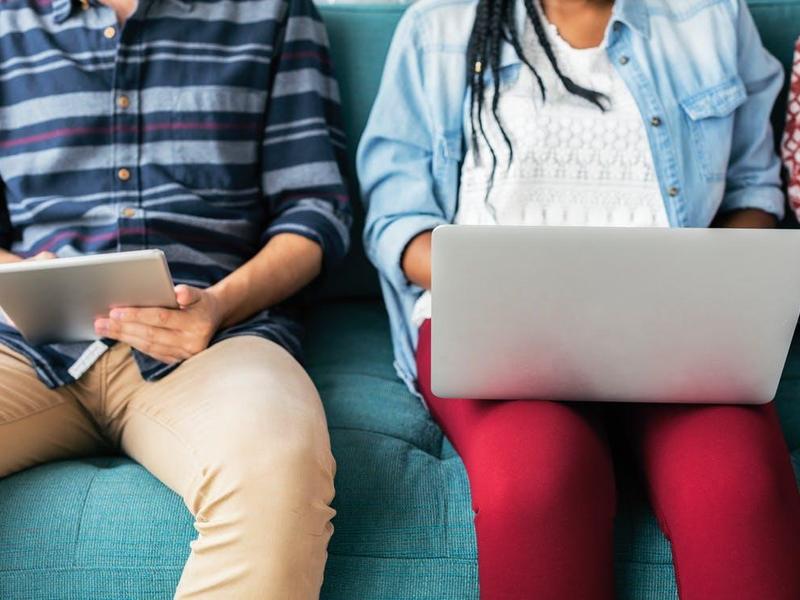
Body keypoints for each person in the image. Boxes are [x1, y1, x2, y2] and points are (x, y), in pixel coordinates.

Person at [358, 0, 800, 598]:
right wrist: (499, 284)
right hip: (500, 330)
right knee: (537, 485)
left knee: (739, 490)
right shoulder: (437, 27)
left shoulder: (711, 17)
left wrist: (711, 283)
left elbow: (754, 189)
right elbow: (397, 217)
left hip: (677, 329)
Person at [0, 0, 350, 596]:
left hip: (216, 338)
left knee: (276, 467)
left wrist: (218, 305)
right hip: (28, 343)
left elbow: (316, 212)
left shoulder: (275, 12)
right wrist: (18, 274)